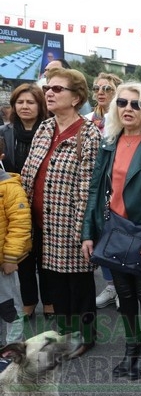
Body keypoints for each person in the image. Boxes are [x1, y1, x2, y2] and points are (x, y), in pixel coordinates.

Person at [81, 82, 141, 380]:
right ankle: (131, 348)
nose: (128, 109)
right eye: (122, 103)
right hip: (114, 229)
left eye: (135, 104)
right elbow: (96, 190)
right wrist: (88, 232)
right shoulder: (109, 141)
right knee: (124, 293)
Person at [21, 68, 102, 357]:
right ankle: (66, 335)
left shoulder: (89, 134)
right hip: (40, 221)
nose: (50, 93)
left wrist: (85, 232)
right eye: (48, 89)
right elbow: (30, 172)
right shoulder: (44, 128)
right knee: (54, 282)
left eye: (58, 89)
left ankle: (86, 337)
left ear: (77, 97)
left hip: (71, 223)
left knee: (78, 284)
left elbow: (87, 189)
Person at [3, 84, 52, 320]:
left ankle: (50, 301)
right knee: (22, 255)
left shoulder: (50, 131)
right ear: (13, 106)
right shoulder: (5, 132)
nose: (24, 106)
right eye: (20, 102)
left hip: (44, 202)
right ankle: (29, 302)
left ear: (40, 106)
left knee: (46, 254)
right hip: (14, 204)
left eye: (30, 102)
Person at [85, 72, 124, 310]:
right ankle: (111, 285)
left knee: (117, 235)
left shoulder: (122, 118)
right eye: (97, 88)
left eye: (107, 89)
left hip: (116, 184)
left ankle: (123, 287)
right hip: (92, 184)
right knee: (99, 236)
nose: (100, 92)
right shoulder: (88, 118)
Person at [0, 137, 31, 345]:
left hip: (3, 262)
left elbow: (20, 226)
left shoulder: (10, 188)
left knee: (8, 306)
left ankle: (14, 346)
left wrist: (11, 257)